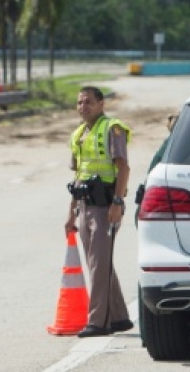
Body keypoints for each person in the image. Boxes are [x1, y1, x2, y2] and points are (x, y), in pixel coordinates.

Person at [65, 86, 133, 338]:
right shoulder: (78, 134)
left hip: (106, 207)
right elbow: (78, 176)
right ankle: (119, 318)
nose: (84, 106)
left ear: (101, 104)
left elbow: (123, 168)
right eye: (80, 102)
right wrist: (71, 213)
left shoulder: (112, 129)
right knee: (100, 264)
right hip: (84, 206)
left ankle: (98, 322)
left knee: (98, 264)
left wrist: (117, 202)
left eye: (89, 102)